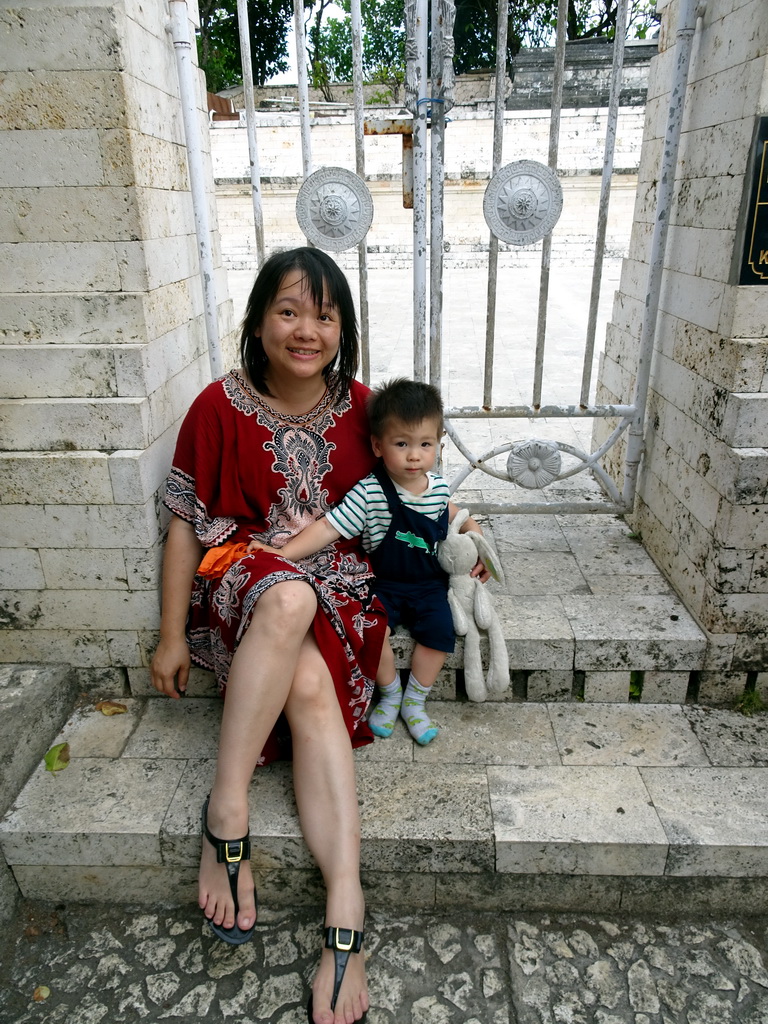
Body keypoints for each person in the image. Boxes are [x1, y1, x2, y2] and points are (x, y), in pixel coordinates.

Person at [150, 247, 386, 1024]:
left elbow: (412, 501)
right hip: (246, 579)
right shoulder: (216, 407)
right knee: (285, 602)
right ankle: (229, 809)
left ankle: (344, 902)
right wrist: (169, 637)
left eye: (324, 314)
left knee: (313, 682)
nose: (307, 329)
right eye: (290, 310)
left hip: (344, 595)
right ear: (257, 320)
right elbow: (187, 524)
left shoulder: (364, 409)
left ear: (342, 326)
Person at [248, 378, 490, 747]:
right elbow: (329, 526)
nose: (414, 456)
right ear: (378, 446)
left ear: (438, 446)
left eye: (425, 445)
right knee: (372, 634)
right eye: (401, 444)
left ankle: (415, 701)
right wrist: (283, 554)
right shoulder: (370, 491)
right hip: (385, 582)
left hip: (429, 586)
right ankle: (390, 693)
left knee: (439, 635)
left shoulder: (438, 488)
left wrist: (474, 530)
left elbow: (455, 514)